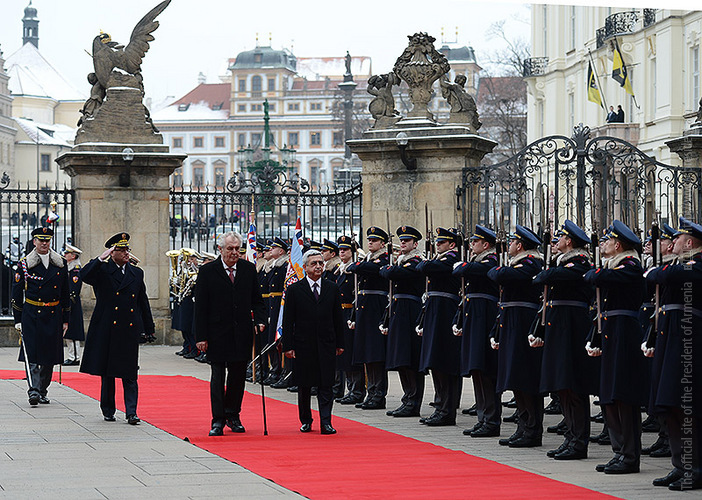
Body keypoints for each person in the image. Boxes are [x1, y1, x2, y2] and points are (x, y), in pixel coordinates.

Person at [584, 220, 649, 474]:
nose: (603, 245)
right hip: (611, 332)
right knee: (609, 396)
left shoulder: (630, 265)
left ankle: (630, 455)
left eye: (607, 241)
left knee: (624, 396)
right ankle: (619, 451)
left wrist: (596, 272)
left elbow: (598, 277)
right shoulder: (613, 265)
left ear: (618, 245)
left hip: (625, 334)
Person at [645, 216, 702, 490]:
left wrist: (658, 271)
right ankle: (680, 465)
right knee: (672, 406)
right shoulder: (680, 264)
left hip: (688, 344)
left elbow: (668, 275)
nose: (673, 243)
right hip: (671, 341)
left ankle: (694, 468)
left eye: (678, 238)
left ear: (689, 243)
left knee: (687, 408)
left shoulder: (696, 264)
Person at [533, 220, 598, 460]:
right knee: (563, 386)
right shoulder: (562, 261)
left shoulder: (579, 262)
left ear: (569, 241)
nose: (556, 241)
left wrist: (546, 272)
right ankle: (571, 437)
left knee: (574, 386)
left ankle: (579, 442)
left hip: (572, 327)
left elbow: (549, 276)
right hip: (560, 326)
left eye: (560, 237)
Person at [195, 231, 266, 436]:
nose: (234, 252)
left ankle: (233, 415)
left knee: (237, 377)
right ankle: (218, 419)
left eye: (237, 248)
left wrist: (260, 320)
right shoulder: (208, 271)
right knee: (218, 377)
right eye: (230, 249)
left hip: (241, 332)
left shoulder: (248, 269)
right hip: (216, 333)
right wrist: (201, 336)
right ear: (220, 249)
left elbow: (257, 300)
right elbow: (201, 307)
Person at [80, 233, 154, 424]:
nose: (126, 253)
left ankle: (131, 412)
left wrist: (149, 327)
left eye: (127, 249)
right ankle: (108, 409)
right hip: (107, 328)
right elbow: (84, 275)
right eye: (121, 250)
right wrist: (100, 258)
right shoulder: (102, 270)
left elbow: (142, 301)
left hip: (128, 329)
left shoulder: (136, 273)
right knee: (108, 373)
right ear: (112, 253)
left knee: (130, 372)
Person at [488, 225, 544, 447]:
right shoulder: (517, 263)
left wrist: (500, 270)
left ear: (520, 245)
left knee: (525, 377)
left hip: (523, 322)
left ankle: (532, 430)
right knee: (515, 377)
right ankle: (523, 426)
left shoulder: (531, 262)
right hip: (511, 321)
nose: (509, 245)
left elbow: (499, 274)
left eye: (512, 241)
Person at [282, 249, 345, 434]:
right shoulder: (294, 290)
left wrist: (340, 343)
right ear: (305, 267)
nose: (318, 266)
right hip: (303, 344)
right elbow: (288, 321)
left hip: (326, 343)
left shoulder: (332, 288)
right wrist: (288, 346)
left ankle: (326, 422)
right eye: (314, 263)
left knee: (326, 384)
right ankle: (306, 420)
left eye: (320, 263)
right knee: (304, 385)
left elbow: (338, 318)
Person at [12, 227, 70, 406]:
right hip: (32, 314)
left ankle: (43, 389)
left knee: (49, 356)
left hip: (53, 315)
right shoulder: (25, 264)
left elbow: (65, 293)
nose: (44, 243)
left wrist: (66, 319)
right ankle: (34, 390)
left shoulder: (60, 263)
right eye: (41, 240)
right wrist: (17, 319)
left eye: (47, 240)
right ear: (34, 242)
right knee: (32, 354)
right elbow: (16, 293)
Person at [452, 225, 501, 437]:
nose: (471, 245)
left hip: (485, 316)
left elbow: (465, 270)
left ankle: (491, 420)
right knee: (477, 369)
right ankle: (483, 417)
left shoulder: (491, 261)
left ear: (486, 244)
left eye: (475, 242)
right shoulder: (476, 261)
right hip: (474, 316)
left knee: (486, 369)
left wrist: (463, 265)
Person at [416, 227, 462, 426]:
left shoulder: (452, 258)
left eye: (442, 243)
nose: (438, 245)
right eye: (437, 242)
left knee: (445, 362)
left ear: (452, 244)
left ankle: (447, 411)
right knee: (435, 362)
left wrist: (427, 262)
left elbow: (425, 268)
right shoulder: (439, 258)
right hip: (435, 312)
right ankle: (440, 406)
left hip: (445, 312)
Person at [380, 226, 425, 418]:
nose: (403, 243)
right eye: (402, 240)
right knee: (400, 358)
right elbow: (387, 272)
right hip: (398, 310)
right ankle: (407, 398)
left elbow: (393, 273)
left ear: (415, 244)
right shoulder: (400, 261)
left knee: (410, 357)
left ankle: (414, 402)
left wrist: (390, 268)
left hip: (410, 310)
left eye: (407, 240)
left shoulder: (416, 261)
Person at [347, 227, 390, 409]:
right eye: (369, 240)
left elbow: (367, 268)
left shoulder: (385, 258)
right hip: (365, 310)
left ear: (383, 243)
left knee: (375, 354)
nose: (370, 242)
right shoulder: (368, 259)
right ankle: (371, 392)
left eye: (374, 240)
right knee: (367, 354)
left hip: (375, 309)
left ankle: (378, 395)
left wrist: (357, 264)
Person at [334, 235, 366, 405]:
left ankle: (357, 390)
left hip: (351, 314)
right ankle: (350, 388)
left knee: (352, 354)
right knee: (344, 355)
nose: (342, 252)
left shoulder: (354, 271)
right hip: (341, 315)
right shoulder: (340, 270)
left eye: (345, 250)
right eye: (340, 250)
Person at [265, 238, 289, 388]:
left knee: (280, 341)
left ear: (281, 251)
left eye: (274, 248)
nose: (270, 250)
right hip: (273, 307)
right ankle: (275, 370)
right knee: (271, 341)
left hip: (280, 306)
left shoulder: (284, 266)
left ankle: (282, 372)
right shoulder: (274, 266)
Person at [63, 244, 85, 366]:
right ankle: (72, 356)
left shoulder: (75, 270)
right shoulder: (69, 267)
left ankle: (75, 357)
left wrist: (68, 302)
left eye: (67, 253)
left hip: (73, 304)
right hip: (69, 303)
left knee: (73, 331)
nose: (65, 255)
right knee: (68, 332)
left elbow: (73, 290)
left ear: (73, 256)